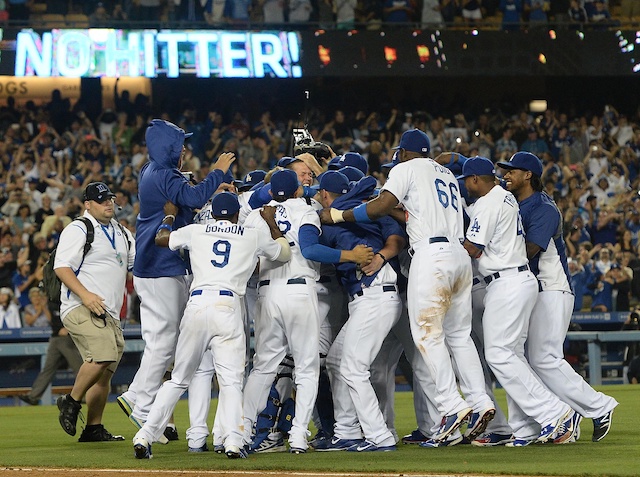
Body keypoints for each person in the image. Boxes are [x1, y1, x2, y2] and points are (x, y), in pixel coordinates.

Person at [319, 130, 495, 443]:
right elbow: (408, 210)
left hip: (431, 255)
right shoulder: (445, 174)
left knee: (428, 333)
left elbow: (379, 207)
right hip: (458, 254)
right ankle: (480, 400)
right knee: (458, 336)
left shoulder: (405, 168)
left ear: (403, 152)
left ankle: (451, 404)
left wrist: (339, 214)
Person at [132, 192, 292, 459]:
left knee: (179, 379)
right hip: (228, 307)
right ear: (236, 214)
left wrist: (170, 214)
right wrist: (272, 223)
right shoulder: (250, 234)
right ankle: (232, 441)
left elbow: (161, 239)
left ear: (214, 213)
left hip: (196, 305)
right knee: (230, 382)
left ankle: (145, 435)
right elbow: (284, 253)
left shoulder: (196, 231)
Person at [117, 120, 235, 441]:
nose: (184, 149)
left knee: (163, 340)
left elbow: (188, 194)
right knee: (165, 341)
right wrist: (218, 172)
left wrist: (213, 186)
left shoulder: (152, 170)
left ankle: (142, 400)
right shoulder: (163, 174)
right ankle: (140, 401)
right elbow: (195, 198)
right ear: (168, 147)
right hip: (160, 266)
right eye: (179, 144)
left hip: (157, 266)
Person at [498, 151, 619, 442]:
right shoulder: (513, 203)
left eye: (512, 171)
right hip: (532, 290)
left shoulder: (543, 207)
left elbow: (529, 251)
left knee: (544, 358)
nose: (506, 175)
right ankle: (564, 418)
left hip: (551, 288)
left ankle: (599, 406)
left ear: (528, 175)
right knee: (529, 359)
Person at [458, 156, 579, 447]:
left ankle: (556, 411)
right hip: (517, 280)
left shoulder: (490, 202)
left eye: (511, 170)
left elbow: (473, 249)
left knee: (499, 354)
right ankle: (527, 427)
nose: (506, 175)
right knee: (512, 355)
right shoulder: (505, 198)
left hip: (508, 281)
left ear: (474, 180)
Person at [242, 169, 324, 454]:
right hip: (300, 289)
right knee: (306, 367)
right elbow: (310, 244)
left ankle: (242, 429)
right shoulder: (305, 209)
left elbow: (246, 258)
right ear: (296, 189)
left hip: (267, 291)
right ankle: (299, 436)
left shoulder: (255, 216)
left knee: (263, 366)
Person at [54, 182, 135, 442]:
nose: (108, 203)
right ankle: (70, 401)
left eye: (109, 199)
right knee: (103, 353)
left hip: (109, 312)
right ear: (87, 204)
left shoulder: (122, 232)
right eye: (101, 200)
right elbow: (62, 267)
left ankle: (93, 428)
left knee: (104, 372)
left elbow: (136, 264)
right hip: (80, 305)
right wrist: (86, 295)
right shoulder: (78, 228)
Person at [18, 297, 83, 406]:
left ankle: (88, 395)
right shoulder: (51, 303)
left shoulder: (68, 300)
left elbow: (78, 315)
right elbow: (50, 319)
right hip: (55, 338)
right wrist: (43, 306)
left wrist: (69, 328)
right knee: (48, 369)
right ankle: (33, 396)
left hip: (66, 338)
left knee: (79, 368)